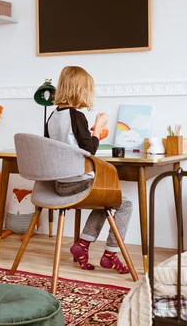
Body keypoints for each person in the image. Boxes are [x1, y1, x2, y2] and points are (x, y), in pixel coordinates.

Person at [45, 66, 132, 274]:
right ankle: (110, 254)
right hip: (77, 183)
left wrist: (93, 136)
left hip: (59, 185)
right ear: (80, 90)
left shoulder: (52, 117)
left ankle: (82, 246)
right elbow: (89, 149)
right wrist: (98, 126)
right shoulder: (76, 116)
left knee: (106, 200)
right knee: (124, 203)